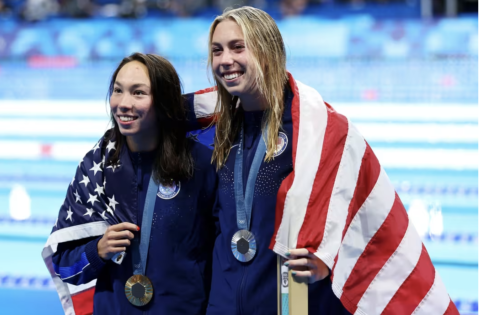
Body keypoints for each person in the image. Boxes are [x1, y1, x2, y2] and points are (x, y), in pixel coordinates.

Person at [184, 6, 459, 315]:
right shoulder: (214, 128)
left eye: (238, 47)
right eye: (217, 51)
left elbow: (360, 219)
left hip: (290, 304)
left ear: (266, 51)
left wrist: (329, 258)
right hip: (224, 303)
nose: (224, 60)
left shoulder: (318, 132)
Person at [41, 53, 217, 315]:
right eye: (117, 91)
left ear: (163, 102)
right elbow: (65, 268)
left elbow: (223, 256)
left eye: (138, 93)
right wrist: (97, 251)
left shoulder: (200, 164)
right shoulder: (96, 168)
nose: (123, 103)